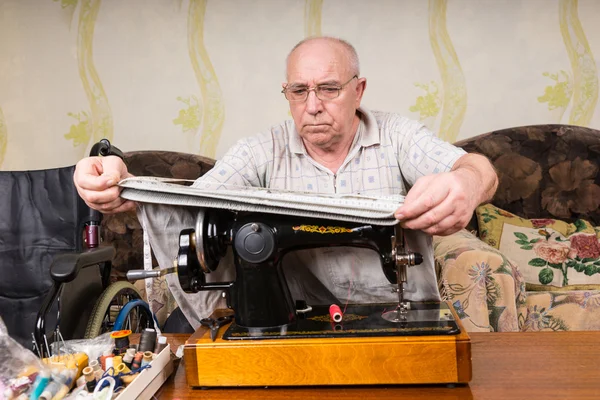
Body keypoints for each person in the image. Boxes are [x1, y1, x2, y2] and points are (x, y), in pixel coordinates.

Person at [74, 36, 497, 318]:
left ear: (359, 90)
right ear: (288, 94)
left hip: (398, 311)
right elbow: (195, 208)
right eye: (299, 91)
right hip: (298, 323)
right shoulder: (261, 151)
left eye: (329, 89)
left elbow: (479, 169)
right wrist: (125, 188)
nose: (312, 105)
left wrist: (467, 184)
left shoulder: (398, 136)